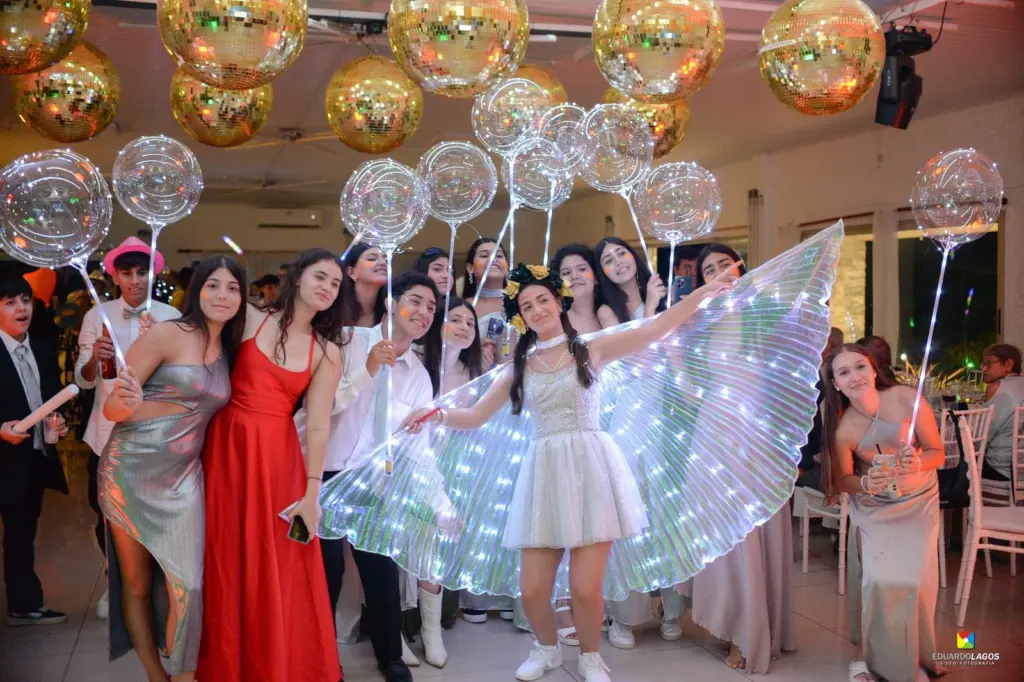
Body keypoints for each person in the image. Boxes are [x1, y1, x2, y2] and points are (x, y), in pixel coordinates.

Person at [400, 263, 733, 682]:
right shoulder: (519, 366)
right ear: (520, 316)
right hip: (544, 474)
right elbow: (477, 415)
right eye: (527, 305)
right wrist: (435, 414)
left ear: (558, 302)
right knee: (533, 590)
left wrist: (703, 293)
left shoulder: (592, 349)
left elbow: (657, 328)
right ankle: (546, 648)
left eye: (543, 300)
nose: (537, 309)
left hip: (591, 469)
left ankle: (591, 657)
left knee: (585, 588)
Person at [196, 249, 344, 682]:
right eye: (320, 276)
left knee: (277, 563)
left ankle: (277, 666)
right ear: (297, 277)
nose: (327, 287)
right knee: (223, 556)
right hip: (226, 449)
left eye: (336, 284)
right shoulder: (249, 319)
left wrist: (312, 493)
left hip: (279, 461)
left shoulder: (327, 351)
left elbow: (317, 425)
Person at [98, 257, 245, 682]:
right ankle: (154, 674)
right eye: (213, 285)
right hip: (130, 469)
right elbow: (113, 408)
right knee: (137, 583)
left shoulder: (229, 348)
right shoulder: (167, 333)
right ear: (197, 290)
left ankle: (183, 672)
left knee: (189, 585)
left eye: (233, 288)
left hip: (183, 478)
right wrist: (122, 401)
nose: (222, 295)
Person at [299, 272, 439, 681]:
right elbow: (322, 408)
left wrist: (437, 500)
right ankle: (320, 659)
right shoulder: (346, 341)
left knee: (380, 569)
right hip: (325, 470)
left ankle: (390, 656)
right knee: (325, 570)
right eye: (416, 301)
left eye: (432, 307)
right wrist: (370, 368)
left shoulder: (418, 375)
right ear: (392, 303)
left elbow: (418, 446)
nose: (424, 312)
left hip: (375, 481)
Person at [820, 344, 943, 682]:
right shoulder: (844, 429)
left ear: (874, 370)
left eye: (860, 366)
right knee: (877, 579)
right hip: (875, 508)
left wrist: (917, 462)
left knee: (915, 581)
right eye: (844, 372)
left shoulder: (907, 399)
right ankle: (868, 657)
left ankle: (916, 658)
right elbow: (843, 481)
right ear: (836, 384)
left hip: (919, 500)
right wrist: (865, 481)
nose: (855, 376)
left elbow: (937, 453)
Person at [75, 237, 181, 620]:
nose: (135, 280)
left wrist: (162, 342)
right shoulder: (97, 316)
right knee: (107, 513)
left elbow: (182, 378)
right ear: (115, 277)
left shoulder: (171, 316)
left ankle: (154, 585)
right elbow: (84, 379)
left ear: (153, 275)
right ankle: (115, 582)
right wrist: (94, 360)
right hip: (107, 434)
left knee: (153, 514)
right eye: (127, 273)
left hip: (157, 434)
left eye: (142, 272)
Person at [1, 277, 70, 627]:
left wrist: (57, 423)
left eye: (25, 301)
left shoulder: (42, 350)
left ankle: (24, 604)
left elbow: (54, 400)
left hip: (30, 460)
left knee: (21, 533)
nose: (21, 309)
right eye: (10, 302)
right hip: (3, 456)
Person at [594, 237, 665, 325]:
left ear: (633, 255)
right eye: (608, 261)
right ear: (602, 272)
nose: (618, 262)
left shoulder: (656, 291)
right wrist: (649, 307)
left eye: (622, 253)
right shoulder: (606, 312)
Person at [980, 343, 1024, 482]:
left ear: (1009, 364)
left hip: (1002, 470)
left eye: (989, 363)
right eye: (983, 364)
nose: (984, 369)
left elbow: (982, 436)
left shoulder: (997, 387)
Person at [551, 245, 609, 335]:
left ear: (596, 277)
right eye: (566, 273)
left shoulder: (612, 311)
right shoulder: (554, 322)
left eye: (582, 269)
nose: (574, 276)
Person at [343, 244, 388, 327]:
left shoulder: (390, 312)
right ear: (351, 272)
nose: (383, 263)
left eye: (386, 260)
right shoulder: (336, 310)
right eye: (372, 259)